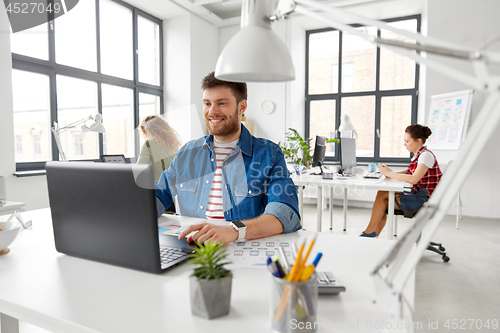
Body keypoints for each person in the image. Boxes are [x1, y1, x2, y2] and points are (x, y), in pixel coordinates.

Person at [155, 72, 301, 244]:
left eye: (222, 103)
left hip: (242, 245)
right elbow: (160, 193)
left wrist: (234, 230)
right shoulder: (187, 152)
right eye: (207, 103)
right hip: (190, 246)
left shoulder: (269, 154)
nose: (212, 111)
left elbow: (285, 212)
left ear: (242, 107)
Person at [361, 124, 442, 237]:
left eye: (407, 141)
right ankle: (372, 233)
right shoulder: (419, 155)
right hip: (419, 195)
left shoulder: (425, 156)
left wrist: (389, 173)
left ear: (418, 141)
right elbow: (410, 172)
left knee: (383, 199)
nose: (404, 144)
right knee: (382, 194)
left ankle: (370, 233)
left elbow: (414, 179)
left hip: (423, 200)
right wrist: (392, 174)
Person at [137, 115, 182, 182]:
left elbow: (139, 169)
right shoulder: (174, 144)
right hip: (173, 187)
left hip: (157, 188)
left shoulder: (149, 143)